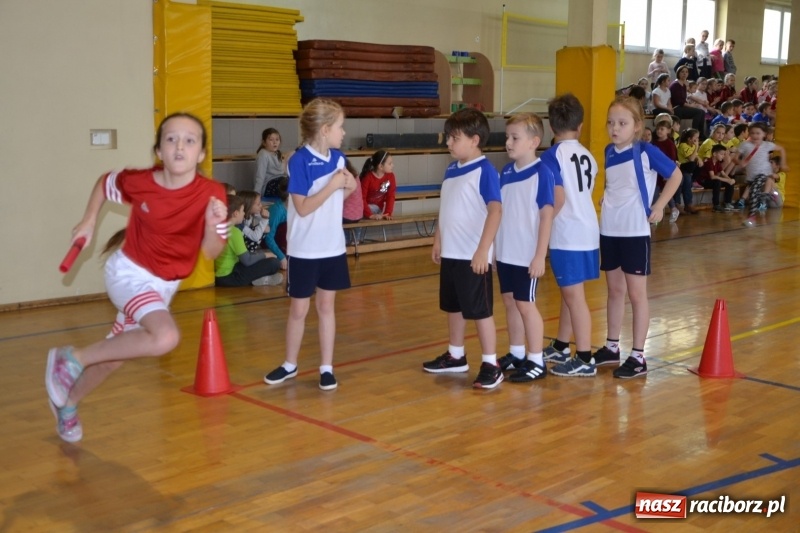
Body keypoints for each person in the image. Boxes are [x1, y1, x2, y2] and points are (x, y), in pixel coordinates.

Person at [45, 113, 228, 443]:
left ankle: (68, 404)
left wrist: (216, 223)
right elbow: (105, 183)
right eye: (171, 139)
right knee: (165, 337)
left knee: (114, 358)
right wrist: (88, 222)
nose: (179, 147)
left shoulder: (211, 193)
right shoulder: (142, 183)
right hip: (129, 273)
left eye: (190, 140)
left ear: (201, 153)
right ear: (159, 149)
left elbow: (211, 252)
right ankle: (71, 358)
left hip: (164, 286)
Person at [263, 99, 357, 391]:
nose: (343, 133)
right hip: (304, 250)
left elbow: (346, 190)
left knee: (327, 307)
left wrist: (348, 185)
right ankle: (290, 364)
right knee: (299, 310)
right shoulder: (299, 161)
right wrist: (332, 186)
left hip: (332, 247)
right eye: (340, 127)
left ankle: (327, 368)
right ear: (325, 129)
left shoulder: (339, 158)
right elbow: (302, 208)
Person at [593, 96, 682, 378]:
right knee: (615, 291)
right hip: (610, 230)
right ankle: (611, 347)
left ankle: (639, 356)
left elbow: (676, 175)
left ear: (636, 126)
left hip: (634, 232)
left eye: (622, 123)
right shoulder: (608, 151)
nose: (614, 128)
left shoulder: (645, 151)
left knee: (636, 294)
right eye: (611, 122)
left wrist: (659, 206)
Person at [421, 107, 503, 389]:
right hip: (451, 254)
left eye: (454, 138)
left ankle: (492, 363)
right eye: (448, 138)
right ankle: (456, 355)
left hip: (472, 256)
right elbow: (447, 208)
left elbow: (495, 211)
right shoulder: (451, 170)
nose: (448, 143)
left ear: (475, 139)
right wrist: (438, 238)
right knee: (453, 306)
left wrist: (483, 250)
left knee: (480, 311)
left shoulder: (485, 171)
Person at [533, 94, 601, 378]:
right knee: (569, 292)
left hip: (568, 233)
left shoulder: (550, 157)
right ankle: (561, 345)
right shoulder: (588, 154)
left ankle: (584, 357)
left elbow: (557, 200)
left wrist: (541, 229)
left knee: (574, 297)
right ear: (580, 126)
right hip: (587, 229)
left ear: (550, 127)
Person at [493, 112, 554, 383]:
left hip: (526, 255)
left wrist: (540, 255)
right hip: (506, 252)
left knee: (525, 304)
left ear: (533, 141)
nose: (508, 142)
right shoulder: (506, 172)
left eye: (515, 138)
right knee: (510, 302)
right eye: (507, 137)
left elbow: (546, 216)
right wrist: (494, 249)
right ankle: (517, 353)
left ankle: (536, 360)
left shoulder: (542, 173)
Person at [215, 195, 283, 287]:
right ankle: (258, 279)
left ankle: (258, 279)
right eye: (242, 211)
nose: (244, 213)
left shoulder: (218, 227)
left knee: (259, 260)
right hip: (230, 277)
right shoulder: (234, 232)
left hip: (220, 276)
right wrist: (266, 255)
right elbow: (247, 260)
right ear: (235, 213)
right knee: (274, 263)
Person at [737, 122, 787, 227]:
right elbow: (735, 158)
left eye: (758, 133)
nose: (755, 135)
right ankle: (769, 194)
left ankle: (751, 218)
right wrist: (740, 163)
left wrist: (783, 164)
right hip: (751, 175)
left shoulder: (767, 145)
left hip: (764, 173)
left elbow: (781, 149)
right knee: (753, 193)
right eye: (752, 133)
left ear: (764, 134)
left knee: (754, 190)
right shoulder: (745, 145)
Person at [651, 114, 680, 223]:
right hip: (656, 172)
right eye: (658, 129)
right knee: (656, 192)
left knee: (664, 192)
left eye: (662, 129)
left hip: (664, 173)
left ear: (668, 131)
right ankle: (656, 215)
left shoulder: (669, 144)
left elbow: (671, 159)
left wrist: (668, 174)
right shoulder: (655, 142)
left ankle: (672, 209)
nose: (659, 131)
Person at [360, 150, 397, 220]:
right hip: (365, 209)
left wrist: (388, 213)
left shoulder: (390, 176)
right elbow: (362, 198)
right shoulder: (368, 178)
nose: (393, 165)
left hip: (377, 209)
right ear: (381, 166)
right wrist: (370, 215)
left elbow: (390, 196)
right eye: (390, 164)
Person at [670, 66, 707, 137]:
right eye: (682, 72)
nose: (684, 74)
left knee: (702, 112)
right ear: (678, 73)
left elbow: (684, 99)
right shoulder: (675, 85)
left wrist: (691, 105)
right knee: (698, 112)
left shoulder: (683, 85)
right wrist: (690, 106)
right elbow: (678, 101)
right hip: (676, 108)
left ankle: (700, 134)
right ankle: (692, 134)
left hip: (682, 107)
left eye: (686, 72)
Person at [701, 144, 736, 212]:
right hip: (705, 181)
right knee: (717, 182)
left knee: (729, 183)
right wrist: (727, 180)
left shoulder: (717, 163)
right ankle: (716, 205)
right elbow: (712, 176)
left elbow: (723, 174)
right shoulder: (709, 162)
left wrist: (730, 180)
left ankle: (727, 202)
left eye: (724, 154)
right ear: (714, 154)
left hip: (712, 180)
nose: (723, 156)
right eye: (722, 154)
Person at [264, 176, 289, 270]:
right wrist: (281, 257)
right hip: (274, 245)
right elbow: (268, 237)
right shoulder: (277, 211)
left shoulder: (297, 207)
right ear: (288, 196)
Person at [254, 128, 284, 198]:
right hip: (269, 185)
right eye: (271, 140)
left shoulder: (277, 153)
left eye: (277, 139)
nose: (275, 142)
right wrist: (256, 195)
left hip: (280, 181)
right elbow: (260, 176)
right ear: (264, 142)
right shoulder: (263, 154)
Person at [677, 127, 704, 198]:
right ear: (689, 139)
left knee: (700, 164)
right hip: (682, 165)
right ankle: (691, 180)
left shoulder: (692, 145)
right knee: (692, 164)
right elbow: (691, 159)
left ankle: (693, 181)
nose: (698, 140)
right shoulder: (683, 145)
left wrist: (699, 159)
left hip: (689, 166)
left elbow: (696, 156)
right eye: (696, 138)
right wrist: (697, 147)